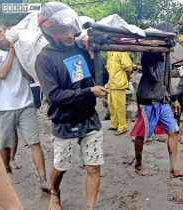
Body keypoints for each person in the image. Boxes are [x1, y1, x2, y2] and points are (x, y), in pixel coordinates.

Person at [35, 2, 109, 210]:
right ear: (49, 32)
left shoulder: (82, 49)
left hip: (89, 118)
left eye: (69, 28)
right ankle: (55, 193)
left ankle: (90, 207)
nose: (68, 34)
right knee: (61, 167)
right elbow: (55, 96)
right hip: (64, 120)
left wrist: (94, 54)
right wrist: (89, 91)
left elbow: (102, 79)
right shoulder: (45, 58)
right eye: (61, 30)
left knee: (94, 167)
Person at [130, 22, 183, 179]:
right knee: (142, 133)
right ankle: (138, 164)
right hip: (148, 100)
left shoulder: (166, 53)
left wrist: (174, 98)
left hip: (163, 100)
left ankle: (174, 169)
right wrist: (158, 53)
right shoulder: (149, 53)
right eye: (168, 38)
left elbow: (167, 81)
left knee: (173, 131)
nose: (171, 42)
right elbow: (157, 77)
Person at [0, 22, 51, 190]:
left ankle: (43, 180)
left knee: (35, 143)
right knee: (3, 145)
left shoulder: (18, 49)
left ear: (5, 30)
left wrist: (21, 52)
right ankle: (7, 170)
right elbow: (2, 73)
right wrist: (12, 50)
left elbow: (27, 74)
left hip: (26, 104)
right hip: (4, 106)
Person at [106, 51, 132, 135]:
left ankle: (122, 127)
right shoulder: (110, 52)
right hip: (110, 83)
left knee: (119, 106)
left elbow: (128, 69)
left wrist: (126, 82)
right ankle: (115, 124)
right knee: (111, 105)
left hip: (119, 84)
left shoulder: (122, 51)